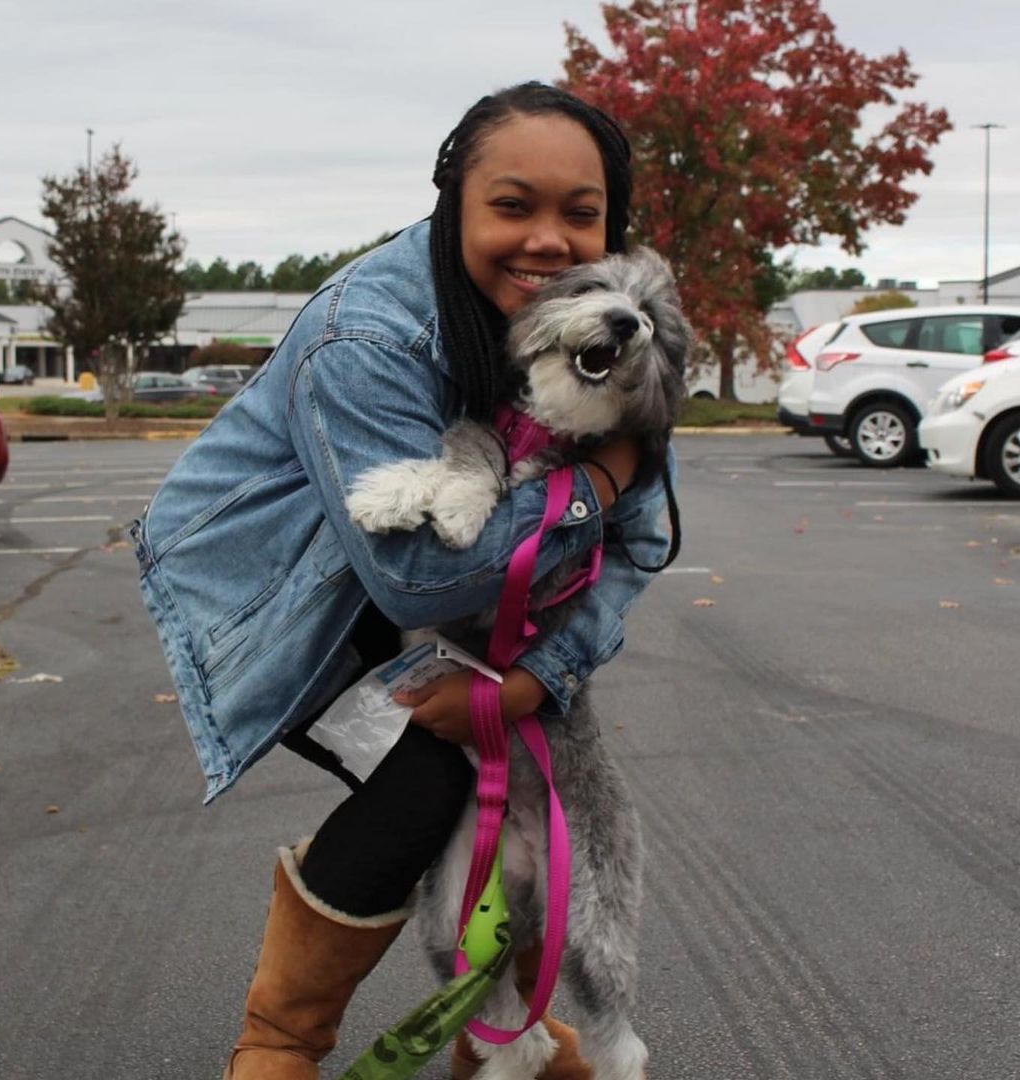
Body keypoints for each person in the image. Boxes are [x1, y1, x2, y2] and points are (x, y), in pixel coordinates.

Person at [131, 81, 674, 1080]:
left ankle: (500, 1036)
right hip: (296, 593)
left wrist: (534, 680)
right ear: (454, 204)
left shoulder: (615, 327)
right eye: (513, 206)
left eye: (581, 212)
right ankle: (281, 1046)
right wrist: (602, 477)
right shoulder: (369, 334)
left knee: (522, 795)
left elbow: (638, 546)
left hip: (478, 608)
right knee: (438, 775)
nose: (549, 240)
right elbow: (419, 579)